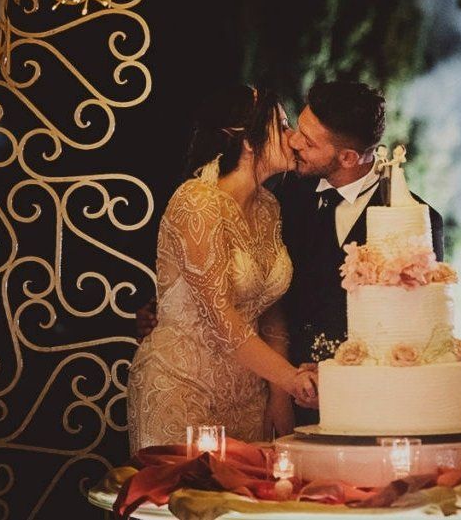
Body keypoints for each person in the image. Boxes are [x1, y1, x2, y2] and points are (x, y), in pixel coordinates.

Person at [135, 80, 444, 430]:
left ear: (347, 157)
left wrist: (332, 377)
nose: (294, 140)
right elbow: (215, 280)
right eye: (292, 126)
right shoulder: (286, 194)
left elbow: (412, 328)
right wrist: (165, 307)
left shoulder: (411, 221)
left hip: (359, 404)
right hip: (263, 390)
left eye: (307, 141)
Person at [126, 85, 318, 453]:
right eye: (282, 125)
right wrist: (293, 380)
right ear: (247, 140)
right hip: (182, 386)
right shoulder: (197, 202)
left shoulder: (269, 207)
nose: (293, 137)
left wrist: (278, 396)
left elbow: (269, 310)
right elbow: (219, 318)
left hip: (249, 397)